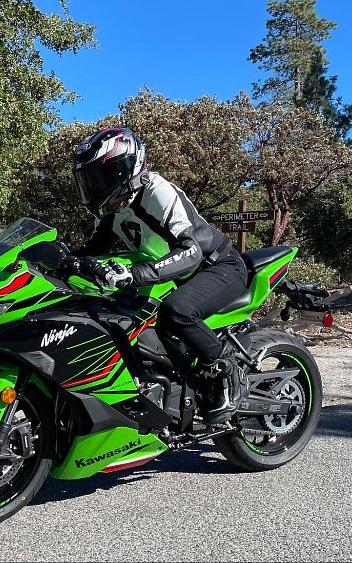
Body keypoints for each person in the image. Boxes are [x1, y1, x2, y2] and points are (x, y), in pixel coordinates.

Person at [71, 127, 250, 426]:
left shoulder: (157, 192)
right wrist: (59, 259)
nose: (96, 187)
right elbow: (92, 250)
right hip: (177, 274)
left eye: (103, 177)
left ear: (127, 169)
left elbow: (191, 250)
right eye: (90, 180)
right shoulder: (113, 209)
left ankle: (228, 370)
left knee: (175, 311)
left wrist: (136, 275)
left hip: (219, 266)